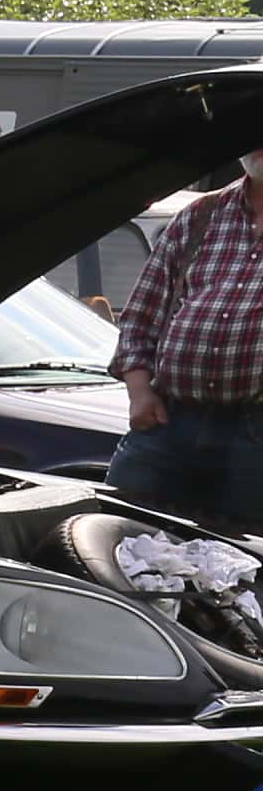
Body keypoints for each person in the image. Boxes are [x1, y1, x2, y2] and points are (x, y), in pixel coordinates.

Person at [107, 143, 263, 530]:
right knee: (121, 542)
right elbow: (141, 317)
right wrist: (140, 393)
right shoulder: (201, 215)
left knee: (240, 572)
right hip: (168, 422)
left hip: (255, 438)